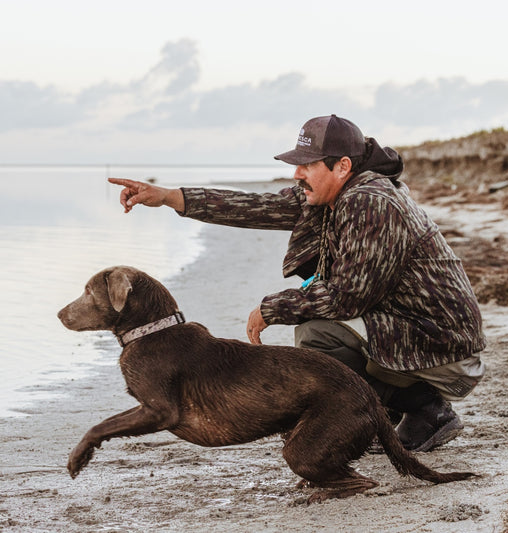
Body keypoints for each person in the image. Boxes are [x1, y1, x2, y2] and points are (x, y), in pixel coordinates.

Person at [109, 114, 486, 452]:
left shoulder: (371, 202)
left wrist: (271, 308)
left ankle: (424, 409)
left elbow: (347, 298)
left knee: (317, 335)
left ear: (342, 166)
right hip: (408, 328)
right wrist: (168, 197)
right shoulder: (336, 195)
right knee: (321, 331)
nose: (296, 175)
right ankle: (399, 412)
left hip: (442, 344)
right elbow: (255, 206)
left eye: (305, 166)